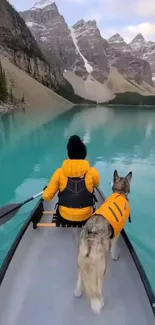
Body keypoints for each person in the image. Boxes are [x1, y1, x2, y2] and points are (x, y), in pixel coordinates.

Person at [42, 135, 100, 226]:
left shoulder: (59, 173)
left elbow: (47, 197)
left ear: (69, 153)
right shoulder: (93, 172)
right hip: (86, 217)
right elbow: (97, 185)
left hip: (64, 217)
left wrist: (47, 190)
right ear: (84, 153)